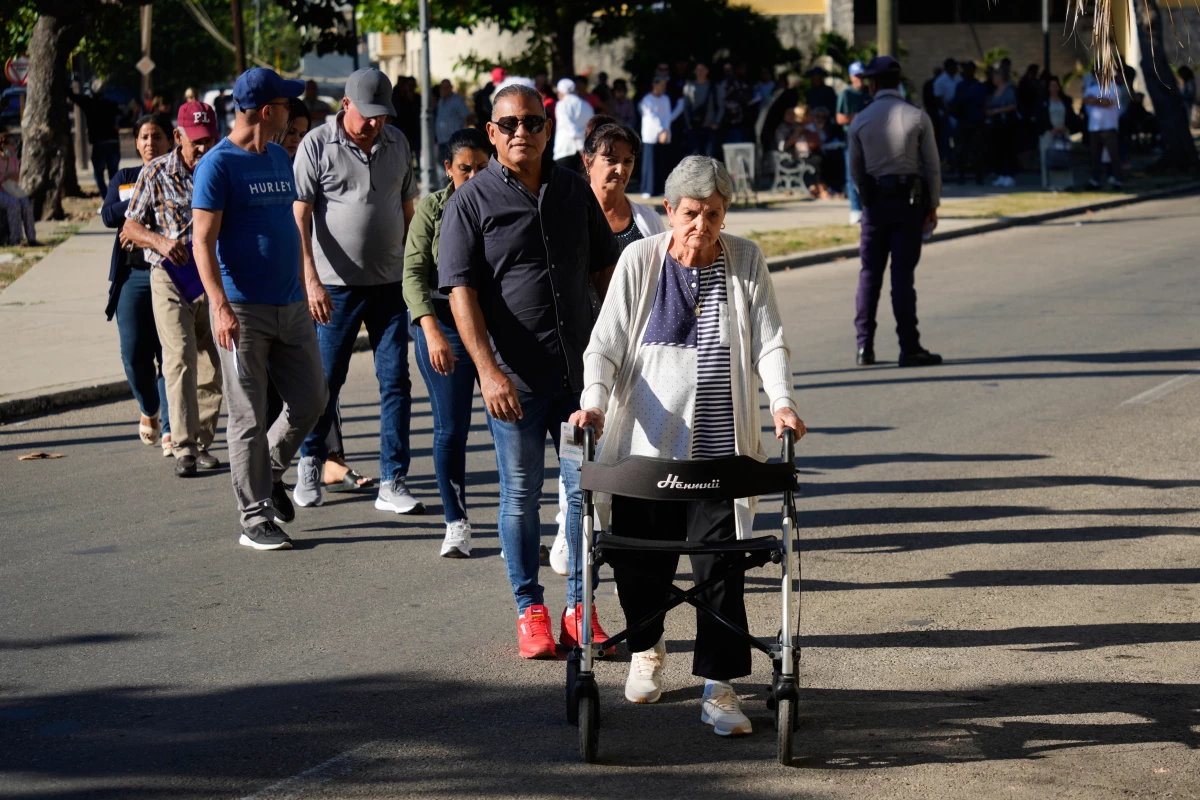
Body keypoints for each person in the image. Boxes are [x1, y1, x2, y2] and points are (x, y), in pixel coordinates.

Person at [569, 155, 805, 736]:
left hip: (717, 451)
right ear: (670, 211)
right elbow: (604, 344)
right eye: (692, 214)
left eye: (715, 215)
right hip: (643, 447)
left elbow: (769, 341)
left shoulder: (745, 259)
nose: (703, 226)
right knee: (635, 560)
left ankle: (719, 691)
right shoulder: (639, 259)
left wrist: (781, 401)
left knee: (719, 570)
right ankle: (647, 648)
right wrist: (594, 400)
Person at [437, 83, 620, 659]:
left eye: (534, 123)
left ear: (549, 129)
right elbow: (460, 292)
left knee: (580, 492)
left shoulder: (572, 190)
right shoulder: (470, 201)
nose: (523, 133)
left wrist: (612, 355)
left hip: (576, 380)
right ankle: (529, 609)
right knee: (520, 494)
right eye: (510, 124)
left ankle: (579, 608)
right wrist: (487, 371)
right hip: (513, 382)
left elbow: (604, 272)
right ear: (491, 133)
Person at [191, 67, 328, 551]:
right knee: (248, 414)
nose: (292, 113)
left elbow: (289, 227)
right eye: (286, 105)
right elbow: (201, 242)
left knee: (312, 399)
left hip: (290, 303)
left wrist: (308, 279)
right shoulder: (218, 165)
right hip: (242, 310)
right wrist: (220, 306)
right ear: (266, 111)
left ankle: (268, 470)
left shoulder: (276, 157)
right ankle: (254, 518)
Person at [290, 69, 422, 515]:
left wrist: (414, 271)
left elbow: (409, 210)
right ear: (345, 105)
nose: (375, 124)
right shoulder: (316, 145)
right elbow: (300, 218)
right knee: (325, 382)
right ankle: (310, 461)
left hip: (389, 285)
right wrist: (309, 279)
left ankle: (393, 480)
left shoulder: (397, 143)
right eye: (368, 115)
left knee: (396, 383)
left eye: (382, 116)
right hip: (334, 287)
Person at [544, 114, 666, 576]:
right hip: (578, 350)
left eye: (628, 162)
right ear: (587, 161)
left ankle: (625, 548)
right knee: (579, 443)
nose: (618, 170)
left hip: (634, 355)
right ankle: (568, 526)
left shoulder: (646, 220)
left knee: (625, 453)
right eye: (610, 160)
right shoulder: (567, 212)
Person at [402, 128, 492, 558]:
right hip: (444, 324)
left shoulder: (504, 201)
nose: (473, 177)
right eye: (464, 169)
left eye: (481, 167)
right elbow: (414, 272)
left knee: (508, 426)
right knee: (451, 429)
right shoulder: (432, 208)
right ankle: (456, 522)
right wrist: (430, 330)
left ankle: (521, 519)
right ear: (447, 169)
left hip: (494, 325)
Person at [123, 101, 223, 476]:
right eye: (196, 141)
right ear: (178, 137)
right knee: (179, 357)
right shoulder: (156, 172)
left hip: (211, 274)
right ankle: (182, 446)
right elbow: (129, 228)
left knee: (214, 364)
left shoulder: (221, 168)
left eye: (209, 140)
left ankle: (200, 441)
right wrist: (161, 242)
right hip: (169, 276)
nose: (202, 148)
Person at [848, 56, 943, 369]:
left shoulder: (860, 120)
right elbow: (931, 166)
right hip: (909, 204)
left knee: (869, 274)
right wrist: (933, 205)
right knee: (902, 276)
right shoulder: (917, 116)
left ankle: (865, 347)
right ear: (898, 82)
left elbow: (855, 171)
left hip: (875, 203)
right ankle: (909, 346)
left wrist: (867, 200)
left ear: (873, 84)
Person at [102, 115, 172, 451]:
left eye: (156, 136)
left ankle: (173, 427)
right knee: (133, 353)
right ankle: (150, 409)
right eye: (143, 137)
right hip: (133, 277)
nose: (149, 143)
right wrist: (140, 201)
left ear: (170, 140)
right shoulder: (126, 177)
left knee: (171, 352)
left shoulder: (179, 174)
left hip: (172, 274)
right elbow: (108, 215)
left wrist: (135, 222)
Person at [69, 81, 122, 194]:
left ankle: (107, 198)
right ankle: (113, 198)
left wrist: (70, 83)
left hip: (99, 144)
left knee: (99, 174)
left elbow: (73, 97)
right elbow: (124, 118)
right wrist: (132, 111)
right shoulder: (111, 104)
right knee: (113, 174)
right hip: (113, 143)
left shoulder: (89, 103)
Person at [836, 61, 870, 223]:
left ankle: (867, 207)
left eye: (862, 76)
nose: (860, 79)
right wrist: (856, 117)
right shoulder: (846, 94)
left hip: (869, 141)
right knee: (852, 175)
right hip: (852, 140)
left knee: (869, 175)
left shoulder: (869, 94)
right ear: (851, 77)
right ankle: (855, 209)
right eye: (857, 76)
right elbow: (840, 118)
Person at [638, 75, 683, 197]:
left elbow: (667, 116)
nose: (663, 87)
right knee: (650, 162)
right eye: (661, 84)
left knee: (662, 162)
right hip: (651, 135)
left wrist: (665, 130)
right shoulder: (647, 99)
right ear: (654, 84)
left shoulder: (665, 99)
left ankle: (659, 189)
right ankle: (647, 189)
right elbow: (651, 117)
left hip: (664, 134)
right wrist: (661, 130)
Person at [1082, 68, 1122, 189]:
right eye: (1097, 75)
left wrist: (1094, 100)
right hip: (1094, 126)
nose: (1099, 77)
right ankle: (1095, 180)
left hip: (1109, 126)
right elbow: (1085, 100)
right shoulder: (1091, 88)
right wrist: (1099, 100)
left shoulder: (1113, 88)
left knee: (1113, 154)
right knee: (1095, 155)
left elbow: (1108, 102)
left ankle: (1117, 179)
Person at [950, 61, 988, 184]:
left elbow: (982, 102)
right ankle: (961, 176)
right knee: (962, 150)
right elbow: (957, 102)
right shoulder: (960, 86)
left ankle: (979, 177)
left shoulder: (978, 86)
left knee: (977, 150)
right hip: (963, 122)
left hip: (976, 122)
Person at [0, 134, 37, 246]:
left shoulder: (14, 159)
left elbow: (16, 178)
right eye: (11, 144)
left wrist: (12, 177)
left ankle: (31, 237)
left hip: (10, 190)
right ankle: (15, 239)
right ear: (3, 145)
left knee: (26, 203)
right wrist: (6, 177)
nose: (14, 146)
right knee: (13, 204)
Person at [985, 64, 1019, 187]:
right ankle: (1001, 174)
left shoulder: (1008, 89)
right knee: (998, 150)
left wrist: (997, 111)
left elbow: (1013, 105)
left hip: (1006, 124)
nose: (994, 78)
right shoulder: (994, 91)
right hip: (996, 124)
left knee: (1007, 149)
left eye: (996, 75)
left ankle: (1009, 175)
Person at [553, 78, 594, 174]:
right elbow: (592, 126)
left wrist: (580, 146)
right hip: (584, 151)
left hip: (565, 150)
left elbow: (569, 128)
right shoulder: (586, 105)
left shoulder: (562, 105)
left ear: (561, 92)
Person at [435, 79, 473, 170]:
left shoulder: (457, 100)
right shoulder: (441, 101)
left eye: (446, 87)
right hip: (442, 141)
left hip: (454, 141)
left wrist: (465, 133)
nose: (444, 89)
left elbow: (468, 116)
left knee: (455, 167)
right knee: (443, 168)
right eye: (442, 87)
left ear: (451, 88)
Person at [684, 63, 720, 158]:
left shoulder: (714, 87)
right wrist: (688, 124)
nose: (699, 72)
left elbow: (721, 106)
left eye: (702, 69)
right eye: (697, 70)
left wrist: (716, 122)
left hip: (710, 127)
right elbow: (686, 107)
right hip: (694, 126)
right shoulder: (689, 87)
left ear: (707, 71)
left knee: (710, 156)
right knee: (695, 156)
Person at [932, 58, 962, 157]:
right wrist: (947, 112)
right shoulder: (940, 81)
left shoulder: (959, 79)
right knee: (947, 138)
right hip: (946, 113)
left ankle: (957, 159)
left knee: (958, 137)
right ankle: (948, 159)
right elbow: (938, 98)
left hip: (958, 112)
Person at [805, 67, 838, 134]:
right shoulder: (810, 92)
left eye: (818, 76)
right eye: (814, 77)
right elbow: (808, 107)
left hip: (827, 121)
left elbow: (834, 106)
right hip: (813, 122)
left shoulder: (829, 90)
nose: (816, 79)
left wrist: (825, 115)